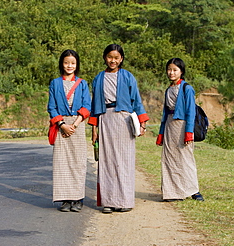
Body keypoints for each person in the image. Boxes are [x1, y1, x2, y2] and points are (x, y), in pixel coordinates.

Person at [88, 44, 149, 213]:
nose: (112, 60)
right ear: (104, 58)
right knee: (106, 161)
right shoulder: (98, 78)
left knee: (124, 160)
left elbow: (136, 100)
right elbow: (94, 106)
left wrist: (142, 122)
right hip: (105, 119)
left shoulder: (128, 77)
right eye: (109, 57)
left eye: (116, 58)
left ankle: (124, 201)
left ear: (121, 59)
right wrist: (94, 129)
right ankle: (108, 201)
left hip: (124, 119)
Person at [47, 49, 92, 212]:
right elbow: (51, 107)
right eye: (66, 62)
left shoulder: (82, 83)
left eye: (73, 63)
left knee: (78, 163)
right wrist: (62, 125)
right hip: (61, 125)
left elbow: (87, 106)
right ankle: (65, 199)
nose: (69, 66)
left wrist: (76, 123)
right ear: (61, 64)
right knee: (62, 163)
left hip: (77, 126)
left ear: (77, 64)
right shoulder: (55, 83)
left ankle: (78, 199)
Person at [156, 58, 204, 202]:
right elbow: (165, 113)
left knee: (185, 158)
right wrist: (161, 133)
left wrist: (189, 132)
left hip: (182, 126)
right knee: (169, 159)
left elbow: (191, 111)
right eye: (169, 69)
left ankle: (193, 190)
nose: (171, 73)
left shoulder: (186, 88)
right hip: (170, 126)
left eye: (175, 70)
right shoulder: (168, 90)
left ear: (181, 72)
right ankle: (172, 192)